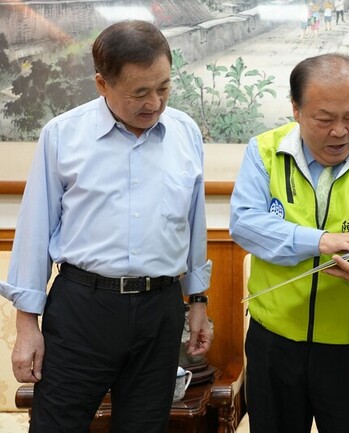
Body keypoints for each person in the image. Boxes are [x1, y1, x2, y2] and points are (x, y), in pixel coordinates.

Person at [0, 20, 213, 433]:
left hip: (160, 310)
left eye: (164, 87)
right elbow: (34, 232)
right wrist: (26, 327)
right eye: (140, 92)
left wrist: (199, 302)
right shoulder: (63, 135)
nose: (155, 102)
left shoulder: (185, 133)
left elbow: (194, 223)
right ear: (102, 84)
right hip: (83, 307)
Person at [230, 53, 349, 433]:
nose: (340, 132)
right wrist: (321, 241)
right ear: (296, 110)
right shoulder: (265, 151)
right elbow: (245, 224)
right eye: (324, 119)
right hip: (275, 342)